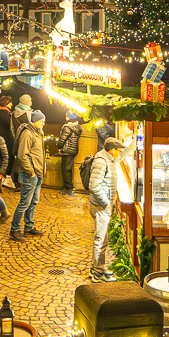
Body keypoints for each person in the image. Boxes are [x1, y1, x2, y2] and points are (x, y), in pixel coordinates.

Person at [85, 139, 124, 281]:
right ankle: (97, 274)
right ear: (112, 150)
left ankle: (95, 268)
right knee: (101, 241)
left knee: (102, 239)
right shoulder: (102, 161)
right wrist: (106, 203)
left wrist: (132, 145)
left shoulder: (109, 159)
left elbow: (121, 156)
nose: (119, 153)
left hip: (102, 206)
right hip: (100, 206)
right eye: (118, 151)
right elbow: (94, 185)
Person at [8, 107, 45, 242]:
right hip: (30, 174)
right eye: (41, 121)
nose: (43, 123)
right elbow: (22, 155)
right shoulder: (28, 133)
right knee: (25, 202)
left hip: (37, 173)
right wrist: (31, 172)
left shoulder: (38, 132)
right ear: (35, 121)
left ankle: (29, 227)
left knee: (33, 202)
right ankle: (15, 229)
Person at [56, 116, 82, 195]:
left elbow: (62, 140)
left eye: (66, 115)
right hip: (73, 150)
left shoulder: (67, 127)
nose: (65, 117)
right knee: (69, 169)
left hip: (67, 150)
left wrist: (58, 145)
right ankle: (68, 188)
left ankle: (69, 189)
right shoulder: (77, 127)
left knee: (65, 170)